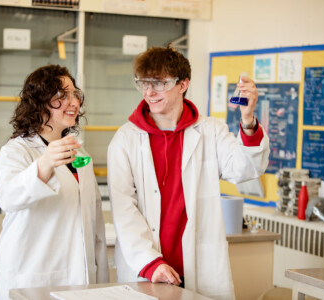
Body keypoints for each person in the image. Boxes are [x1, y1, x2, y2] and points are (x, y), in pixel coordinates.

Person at [107, 46, 270, 300]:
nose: (149, 92)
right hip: (147, 269)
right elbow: (123, 208)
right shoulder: (125, 139)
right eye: (143, 83)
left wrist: (247, 119)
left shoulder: (210, 131)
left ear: (183, 84)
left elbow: (245, 169)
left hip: (200, 267)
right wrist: (151, 264)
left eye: (159, 83)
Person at [0, 65, 109, 300]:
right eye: (61, 95)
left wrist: (100, 278)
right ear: (38, 102)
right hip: (35, 278)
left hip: (81, 278)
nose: (73, 102)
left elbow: (93, 218)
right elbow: (7, 198)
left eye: (74, 94)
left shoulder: (78, 151)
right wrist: (44, 164)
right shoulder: (18, 151)